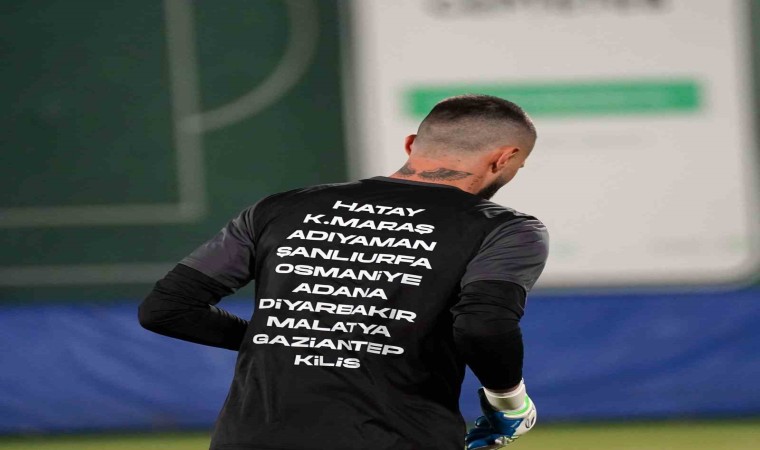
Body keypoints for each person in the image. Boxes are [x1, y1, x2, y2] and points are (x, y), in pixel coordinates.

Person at [139, 94, 548, 450]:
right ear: (504, 158)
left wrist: (298, 337)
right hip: (399, 437)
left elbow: (167, 309)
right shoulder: (505, 229)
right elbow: (482, 326)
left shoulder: (279, 209)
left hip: (249, 438)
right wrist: (509, 403)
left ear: (411, 145)